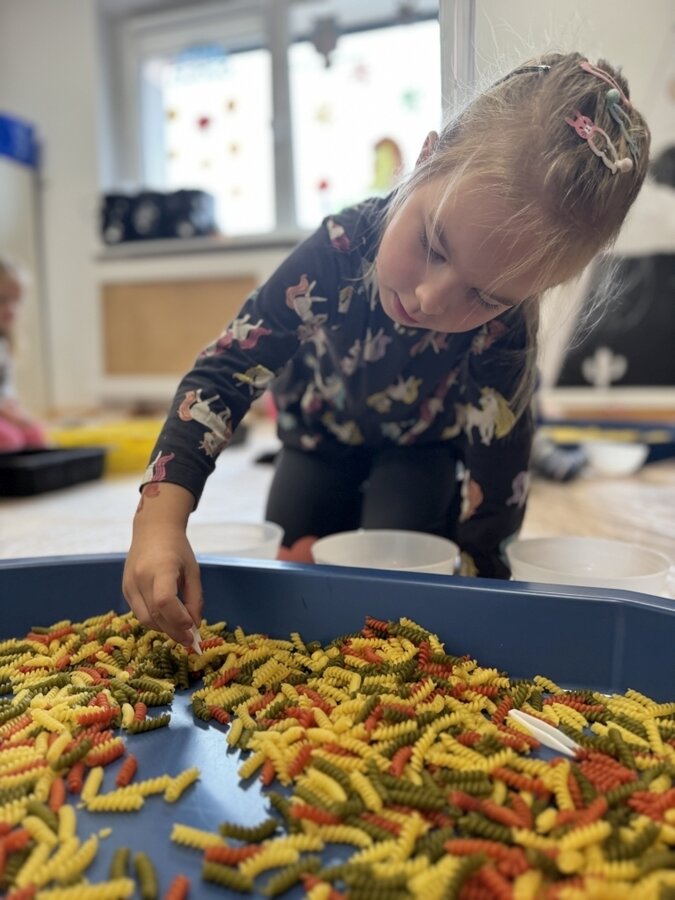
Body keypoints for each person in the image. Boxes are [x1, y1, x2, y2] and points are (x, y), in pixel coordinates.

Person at [123, 51, 650, 647]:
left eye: (483, 295)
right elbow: (226, 370)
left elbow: (500, 476)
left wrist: (483, 592)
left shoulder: (507, 326)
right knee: (292, 559)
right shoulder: (338, 248)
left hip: (420, 451)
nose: (430, 298)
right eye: (433, 245)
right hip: (317, 442)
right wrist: (159, 522)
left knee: (403, 579)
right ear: (424, 161)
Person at [0, 257, 48, 452]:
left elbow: (6, 391)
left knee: (35, 433)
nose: (11, 308)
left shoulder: (4, 343)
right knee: (9, 440)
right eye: (2, 300)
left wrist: (18, 413)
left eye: (17, 300)